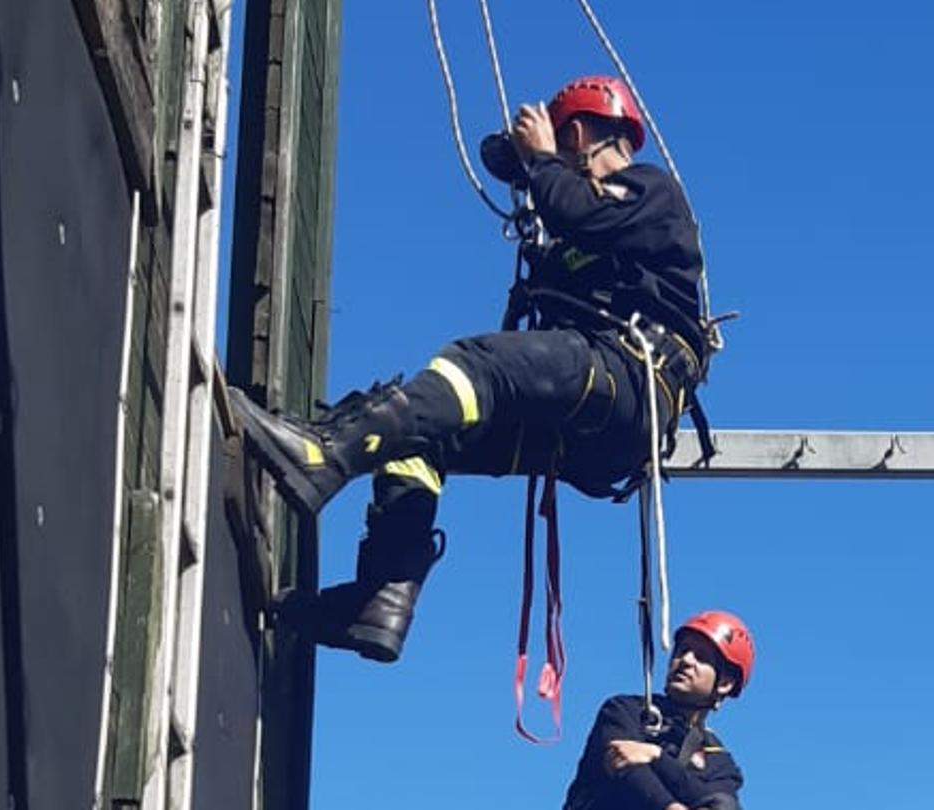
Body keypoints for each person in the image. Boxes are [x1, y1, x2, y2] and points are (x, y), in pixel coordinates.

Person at [227, 75, 709, 662]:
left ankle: (325, 455)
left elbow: (576, 213)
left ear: (577, 134)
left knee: (471, 365)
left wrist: (540, 161)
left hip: (628, 375)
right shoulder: (582, 229)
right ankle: (381, 598)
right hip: (588, 421)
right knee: (426, 433)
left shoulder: (651, 192)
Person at [563, 611, 754, 810]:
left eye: (701, 657)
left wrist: (656, 756)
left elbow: (722, 806)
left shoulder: (719, 763)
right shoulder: (625, 711)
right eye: (682, 650)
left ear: (724, 683)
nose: (686, 660)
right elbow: (625, 765)